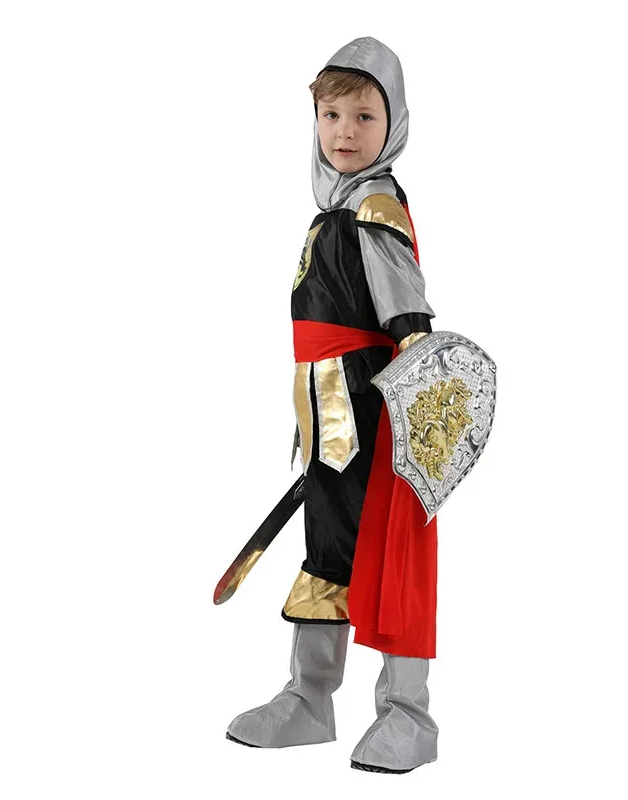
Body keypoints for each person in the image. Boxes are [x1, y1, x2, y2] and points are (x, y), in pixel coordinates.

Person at [226, 36, 439, 774]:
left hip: (372, 410)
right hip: (326, 409)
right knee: (329, 552)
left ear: (393, 122)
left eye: (364, 116)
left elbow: (407, 313)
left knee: (387, 551)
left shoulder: (374, 206)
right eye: (331, 115)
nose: (344, 132)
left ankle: (408, 714)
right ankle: (310, 699)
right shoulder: (333, 209)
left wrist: (416, 398)